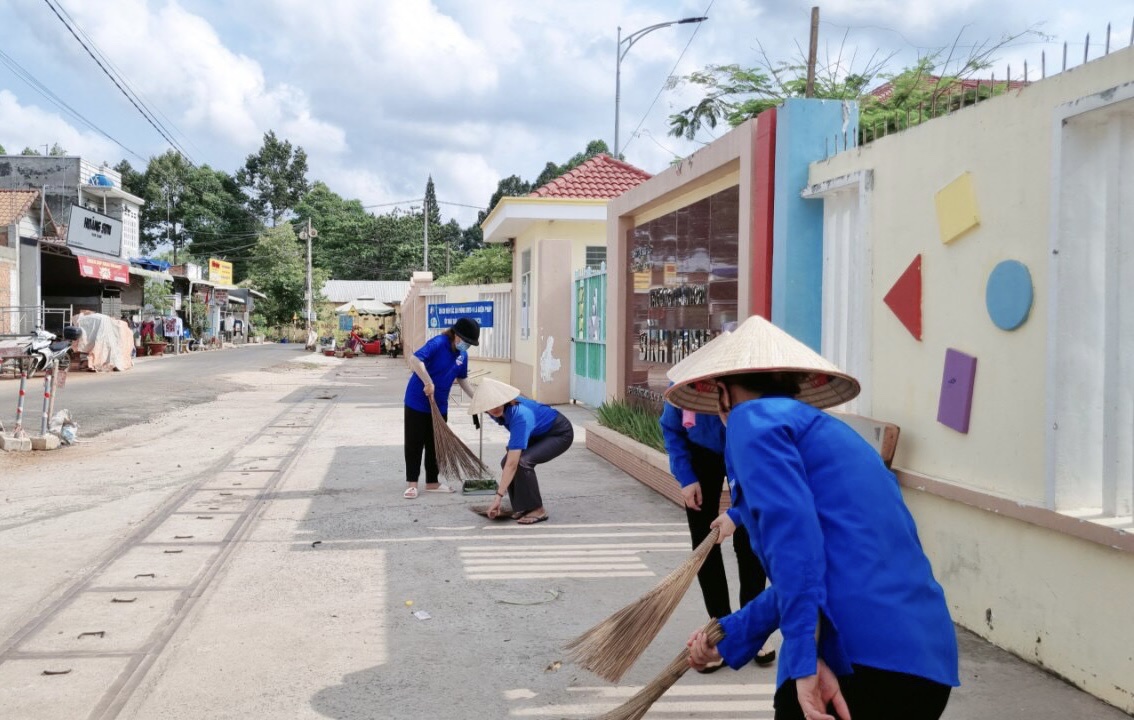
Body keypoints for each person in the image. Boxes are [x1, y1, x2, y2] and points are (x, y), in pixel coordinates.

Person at [667, 315, 959, 720]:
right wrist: (733, 634)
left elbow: (795, 548)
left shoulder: (751, 422)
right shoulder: (828, 435)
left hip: (859, 658)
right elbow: (817, 568)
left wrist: (804, 659)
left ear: (722, 394)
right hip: (921, 661)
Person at [659, 397, 775, 671]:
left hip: (746, 449)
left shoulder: (750, 390)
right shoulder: (686, 385)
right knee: (705, 542)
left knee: (750, 541)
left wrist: (737, 516)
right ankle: (719, 629)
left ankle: (753, 629)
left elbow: (764, 477)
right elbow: (671, 428)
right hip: (701, 453)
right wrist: (686, 477)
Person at [469, 378, 573, 524]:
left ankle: (537, 509)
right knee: (506, 461)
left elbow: (513, 463)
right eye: (489, 406)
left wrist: (498, 497)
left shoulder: (520, 414)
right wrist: (515, 445)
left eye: (497, 402)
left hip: (560, 433)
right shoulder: (495, 411)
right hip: (537, 433)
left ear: (503, 398)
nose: (495, 408)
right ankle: (522, 507)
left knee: (522, 462)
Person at [403, 318, 479, 499]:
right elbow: (415, 359)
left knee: (436, 444)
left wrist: (476, 398)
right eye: (467, 341)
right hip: (417, 402)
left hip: (440, 405)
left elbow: (462, 379)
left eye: (470, 343)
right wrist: (428, 381)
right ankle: (412, 484)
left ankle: (432, 482)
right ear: (457, 336)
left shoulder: (462, 355)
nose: (467, 346)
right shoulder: (438, 343)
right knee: (415, 443)